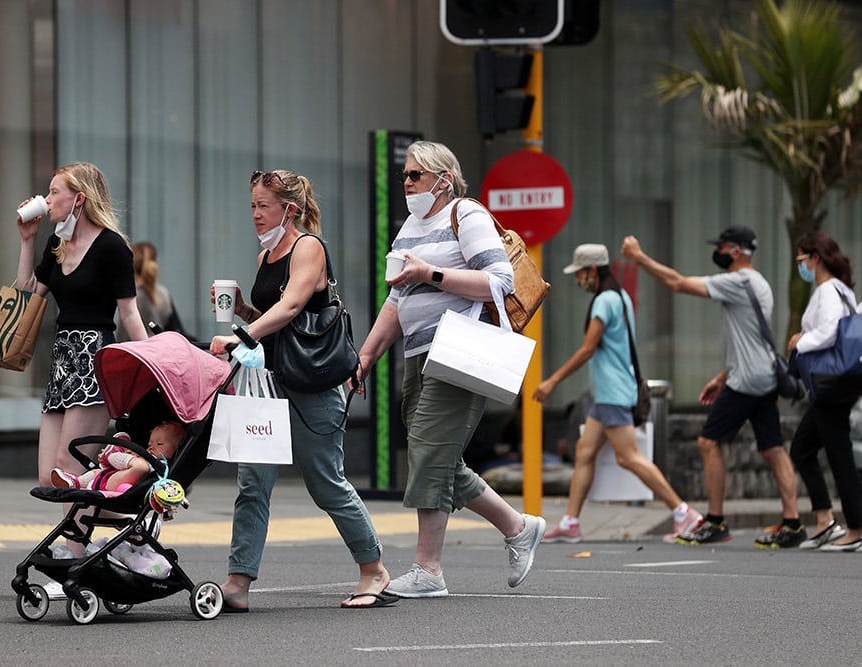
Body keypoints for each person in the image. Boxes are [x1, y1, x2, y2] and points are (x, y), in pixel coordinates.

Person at [356, 140, 546, 598]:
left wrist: (431, 275)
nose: (406, 182)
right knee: (436, 455)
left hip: (460, 350)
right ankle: (517, 526)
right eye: (404, 175)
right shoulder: (409, 229)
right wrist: (364, 357)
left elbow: (499, 281)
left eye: (415, 175)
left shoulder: (468, 214)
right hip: (419, 354)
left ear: (443, 179)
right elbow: (396, 301)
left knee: (428, 453)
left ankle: (428, 570)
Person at [208, 168, 394, 610]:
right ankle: (238, 581)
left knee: (326, 483)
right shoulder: (264, 257)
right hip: (269, 383)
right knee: (253, 483)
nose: (255, 214)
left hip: (312, 385)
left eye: (263, 206)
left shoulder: (307, 247)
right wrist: (243, 310)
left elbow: (293, 306)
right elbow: (277, 314)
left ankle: (374, 569)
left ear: (289, 210)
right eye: (252, 205)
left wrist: (243, 333)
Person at [621, 226, 805, 547]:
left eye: (720, 246)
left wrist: (639, 258)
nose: (716, 251)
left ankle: (716, 521)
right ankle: (793, 523)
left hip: (747, 380)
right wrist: (723, 376)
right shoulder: (760, 284)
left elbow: (677, 283)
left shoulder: (738, 282)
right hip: (761, 376)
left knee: (708, 442)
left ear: (735, 250)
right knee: (773, 448)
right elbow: (751, 339)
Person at [533, 243, 703, 544]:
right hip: (610, 393)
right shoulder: (620, 297)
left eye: (580, 273)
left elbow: (587, 350)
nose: (577, 279)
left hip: (613, 392)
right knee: (585, 452)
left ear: (593, 271)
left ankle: (683, 512)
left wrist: (552, 381)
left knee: (629, 457)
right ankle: (571, 522)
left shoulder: (604, 302)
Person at [15, 162, 149, 490]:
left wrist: (153, 362)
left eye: (54, 192)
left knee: (69, 466)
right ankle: (128, 522)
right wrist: (28, 240)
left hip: (94, 359)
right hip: (62, 360)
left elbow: (129, 313)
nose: (46, 200)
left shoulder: (112, 246)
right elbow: (27, 296)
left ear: (79, 199)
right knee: (49, 477)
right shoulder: (56, 246)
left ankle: (75, 544)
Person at [788, 232, 862, 552]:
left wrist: (800, 341)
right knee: (802, 449)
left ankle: (857, 531)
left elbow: (832, 330)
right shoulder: (840, 289)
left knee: (840, 456)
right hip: (836, 386)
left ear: (815, 259)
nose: (801, 268)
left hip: (831, 386)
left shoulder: (827, 290)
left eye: (801, 261)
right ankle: (825, 522)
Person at [50, 421, 185, 493]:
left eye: (160, 444)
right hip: (110, 478)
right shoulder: (149, 455)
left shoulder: (165, 466)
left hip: (121, 486)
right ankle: (75, 482)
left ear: (177, 448)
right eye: (150, 443)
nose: (151, 447)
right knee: (98, 472)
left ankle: (112, 455)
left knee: (141, 466)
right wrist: (134, 454)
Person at [116, 241, 193, 341]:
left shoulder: (132, 295)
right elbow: (174, 329)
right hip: (159, 349)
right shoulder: (163, 294)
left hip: (137, 351)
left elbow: (123, 336)